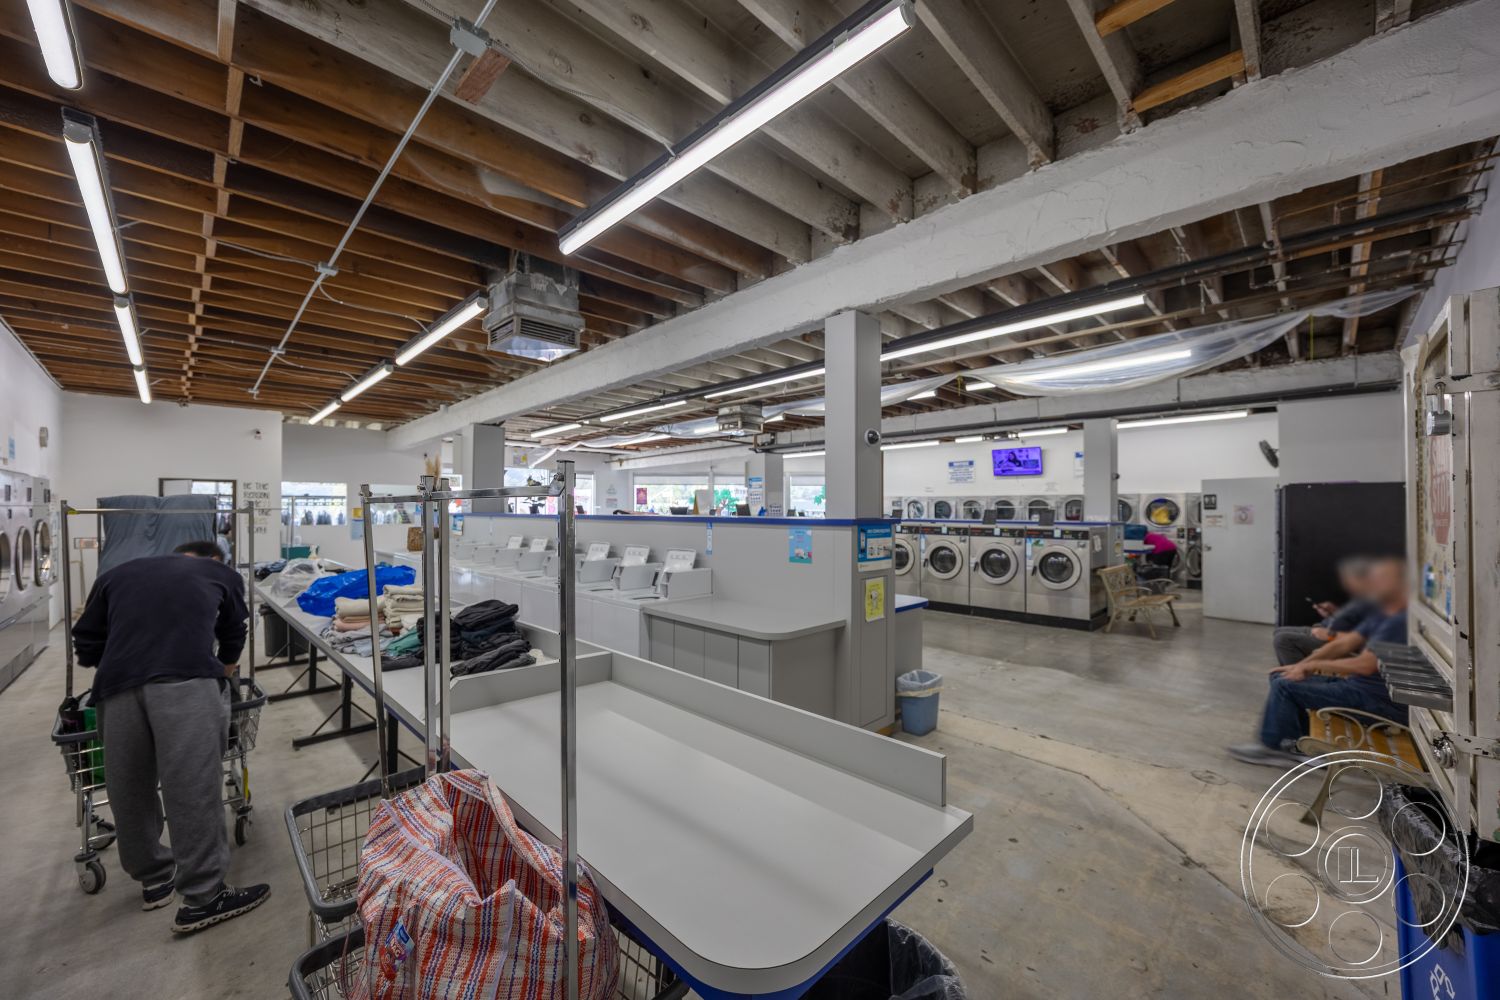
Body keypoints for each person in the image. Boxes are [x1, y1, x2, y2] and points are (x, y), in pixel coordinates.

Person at [71, 539, 270, 933]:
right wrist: (225, 668)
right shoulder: (221, 573)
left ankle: (154, 879)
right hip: (185, 683)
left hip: (115, 688)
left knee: (129, 785)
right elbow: (234, 631)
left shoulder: (116, 575)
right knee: (190, 786)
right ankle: (204, 897)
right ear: (214, 560)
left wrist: (127, 658)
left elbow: (86, 640)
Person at [1228, 557, 1410, 768]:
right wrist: (1301, 664)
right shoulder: (1383, 613)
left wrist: (1309, 666)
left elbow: (1365, 665)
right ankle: (1299, 744)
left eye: (1381, 579)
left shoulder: (1400, 622)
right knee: (1280, 676)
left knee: (1284, 687)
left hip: (1380, 702)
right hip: (1360, 688)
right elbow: (1343, 644)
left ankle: (1276, 748)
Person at [1270, 558, 1375, 665]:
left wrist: (1331, 635)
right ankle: (1295, 669)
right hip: (1327, 628)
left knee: (1283, 640)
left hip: (1336, 639)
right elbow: (1352, 620)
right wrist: (1333, 612)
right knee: (1279, 631)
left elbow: (1363, 636)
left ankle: (1297, 676)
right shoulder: (1364, 597)